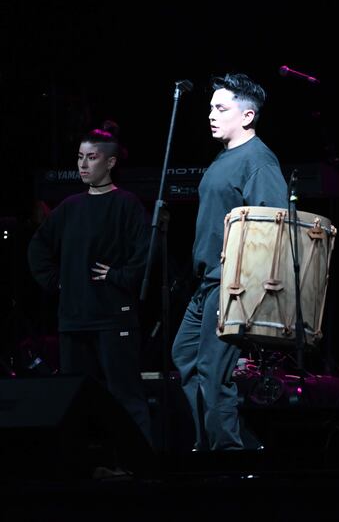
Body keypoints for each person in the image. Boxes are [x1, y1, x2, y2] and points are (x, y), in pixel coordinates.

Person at [171, 73, 287, 451]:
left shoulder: (259, 161)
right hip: (207, 283)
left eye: (221, 108)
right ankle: (212, 444)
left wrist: (250, 290)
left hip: (231, 284)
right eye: (210, 108)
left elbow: (272, 228)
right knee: (185, 354)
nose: (211, 115)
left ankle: (230, 456)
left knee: (212, 369)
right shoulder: (226, 156)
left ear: (248, 116)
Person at [28, 121, 152, 441]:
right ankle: (83, 468)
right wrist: (56, 281)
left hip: (113, 318)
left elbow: (145, 254)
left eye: (92, 157)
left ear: (110, 162)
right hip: (74, 320)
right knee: (76, 399)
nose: (83, 164)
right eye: (80, 157)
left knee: (126, 396)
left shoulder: (127, 204)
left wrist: (119, 276)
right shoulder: (70, 207)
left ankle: (140, 468)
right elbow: (38, 246)